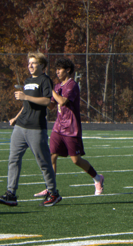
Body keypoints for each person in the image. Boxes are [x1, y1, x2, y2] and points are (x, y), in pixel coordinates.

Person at [0, 52, 61, 207]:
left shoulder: (45, 80)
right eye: (29, 63)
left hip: (36, 128)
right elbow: (26, 106)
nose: (30, 65)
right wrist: (16, 118)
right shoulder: (27, 80)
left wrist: (26, 97)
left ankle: (53, 192)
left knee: (43, 162)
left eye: (34, 63)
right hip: (20, 126)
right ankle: (11, 194)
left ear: (42, 66)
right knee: (13, 159)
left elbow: (46, 101)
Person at [35, 58, 104, 198]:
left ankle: (97, 178)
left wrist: (51, 90)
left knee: (76, 160)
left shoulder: (72, 85)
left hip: (71, 128)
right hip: (58, 127)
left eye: (60, 69)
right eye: (56, 69)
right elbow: (52, 105)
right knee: (51, 157)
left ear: (68, 70)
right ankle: (51, 188)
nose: (57, 72)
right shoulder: (57, 86)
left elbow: (63, 101)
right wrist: (43, 95)